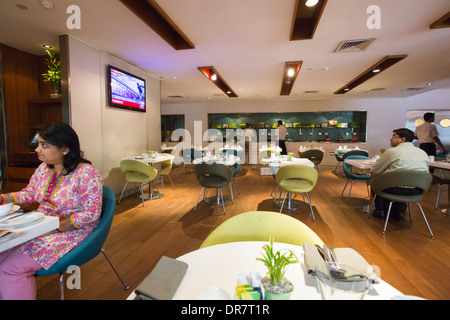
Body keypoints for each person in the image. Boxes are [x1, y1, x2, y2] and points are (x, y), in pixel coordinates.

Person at [0, 122, 103, 300]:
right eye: (38, 144)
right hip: (41, 227)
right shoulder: (43, 169)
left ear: (65, 148)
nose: (37, 150)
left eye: (44, 145)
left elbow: (91, 213)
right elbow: (30, 193)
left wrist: (56, 227)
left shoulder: (87, 173)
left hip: (71, 231)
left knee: (11, 268)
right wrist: (4, 198)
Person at [371, 128, 429, 220]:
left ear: (402, 139)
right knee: (401, 183)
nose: (390, 138)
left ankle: (380, 211)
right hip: (417, 190)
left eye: (394, 136)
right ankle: (398, 211)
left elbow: (375, 170)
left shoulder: (391, 152)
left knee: (375, 182)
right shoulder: (423, 153)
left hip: (394, 189)